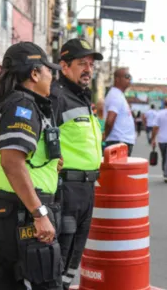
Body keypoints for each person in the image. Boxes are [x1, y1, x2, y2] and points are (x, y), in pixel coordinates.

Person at [0, 42, 63, 290]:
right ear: (34, 74)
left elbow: (19, 157)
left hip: (2, 207)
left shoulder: (3, 102)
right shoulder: (22, 105)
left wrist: (49, 166)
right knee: (47, 283)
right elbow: (12, 162)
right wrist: (39, 214)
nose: (52, 77)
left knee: (8, 283)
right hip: (21, 211)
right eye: (49, 70)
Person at [48, 38, 104, 289]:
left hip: (86, 190)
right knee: (58, 258)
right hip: (65, 191)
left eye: (90, 64)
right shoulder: (56, 96)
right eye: (82, 63)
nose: (88, 69)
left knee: (73, 259)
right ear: (64, 66)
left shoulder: (81, 98)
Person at [104, 68, 136, 156]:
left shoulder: (118, 94)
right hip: (118, 142)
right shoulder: (115, 95)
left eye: (130, 77)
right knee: (118, 170)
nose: (129, 79)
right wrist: (104, 137)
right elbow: (110, 120)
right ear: (117, 79)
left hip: (121, 141)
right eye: (126, 76)